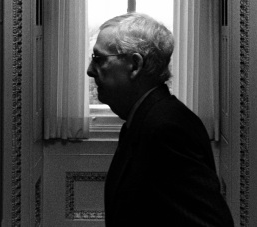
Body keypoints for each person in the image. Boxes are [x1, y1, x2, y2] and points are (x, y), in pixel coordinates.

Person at [87, 13, 233, 226]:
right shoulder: (143, 119)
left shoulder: (166, 129)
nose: (90, 70)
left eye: (99, 59)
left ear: (135, 65)